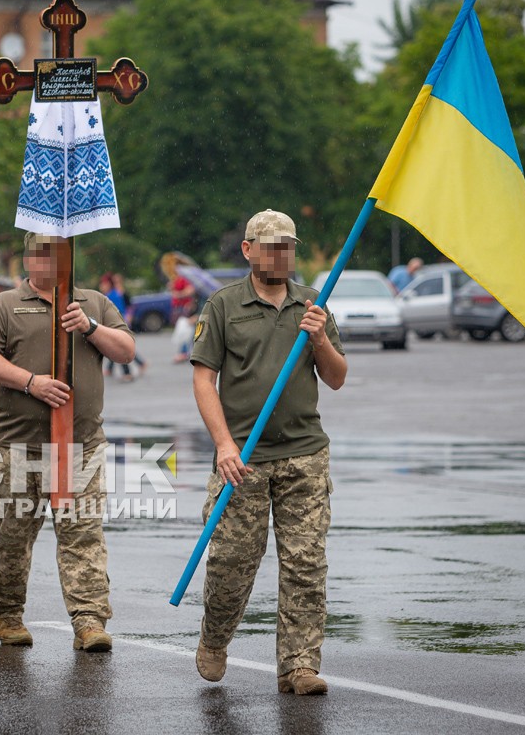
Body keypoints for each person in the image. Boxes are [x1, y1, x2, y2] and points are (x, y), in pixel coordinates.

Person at [189, 209, 346, 694]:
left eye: (287, 246)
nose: (280, 254)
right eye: (270, 245)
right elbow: (202, 378)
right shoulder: (223, 305)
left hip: (304, 454)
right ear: (248, 250)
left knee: (305, 563)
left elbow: (337, 378)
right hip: (243, 459)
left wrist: (319, 338)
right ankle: (215, 639)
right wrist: (223, 445)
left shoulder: (313, 305)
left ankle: (299, 666)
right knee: (232, 563)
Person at [0, 233, 136, 651]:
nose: (47, 260)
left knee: (83, 535)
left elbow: (126, 350)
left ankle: (89, 620)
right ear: (26, 258)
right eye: (39, 253)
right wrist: (31, 383)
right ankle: (6, 614)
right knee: (12, 533)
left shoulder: (93, 302)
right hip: (19, 445)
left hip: (81, 445)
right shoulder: (4, 305)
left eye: (55, 252)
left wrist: (90, 327)